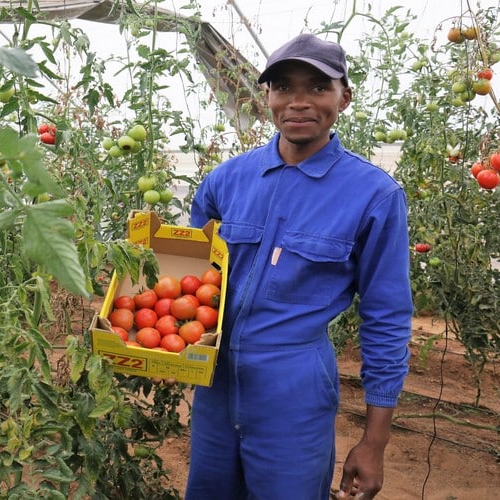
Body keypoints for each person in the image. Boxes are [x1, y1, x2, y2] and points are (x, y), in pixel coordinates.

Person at [185, 33, 413, 499]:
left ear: (343, 97)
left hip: (294, 389)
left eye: (318, 87)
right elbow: (189, 280)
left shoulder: (373, 195)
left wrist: (375, 442)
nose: (299, 102)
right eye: (284, 87)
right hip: (214, 384)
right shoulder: (225, 181)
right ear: (266, 96)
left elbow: (386, 317)